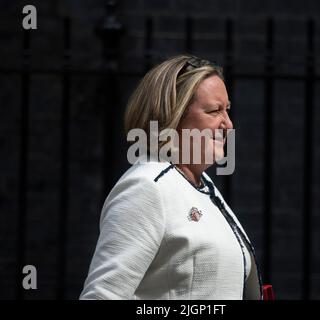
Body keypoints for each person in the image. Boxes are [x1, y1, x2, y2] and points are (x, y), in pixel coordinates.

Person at [79, 54, 263, 300]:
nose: (228, 124)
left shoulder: (203, 186)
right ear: (172, 117)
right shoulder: (147, 186)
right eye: (214, 111)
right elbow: (102, 295)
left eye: (227, 110)